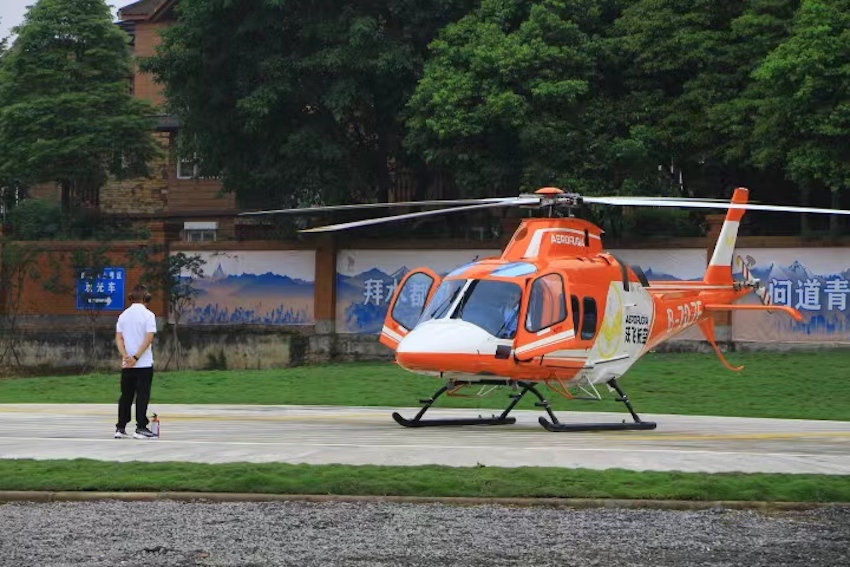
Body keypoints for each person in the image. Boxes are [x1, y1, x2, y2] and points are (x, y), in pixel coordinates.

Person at [113, 284, 158, 439]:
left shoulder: (123, 316)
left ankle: (120, 427)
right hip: (143, 364)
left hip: (127, 365)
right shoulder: (148, 315)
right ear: (146, 298)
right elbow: (149, 338)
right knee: (142, 396)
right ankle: (140, 427)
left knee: (126, 396)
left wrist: (126, 356)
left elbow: (119, 338)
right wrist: (136, 357)